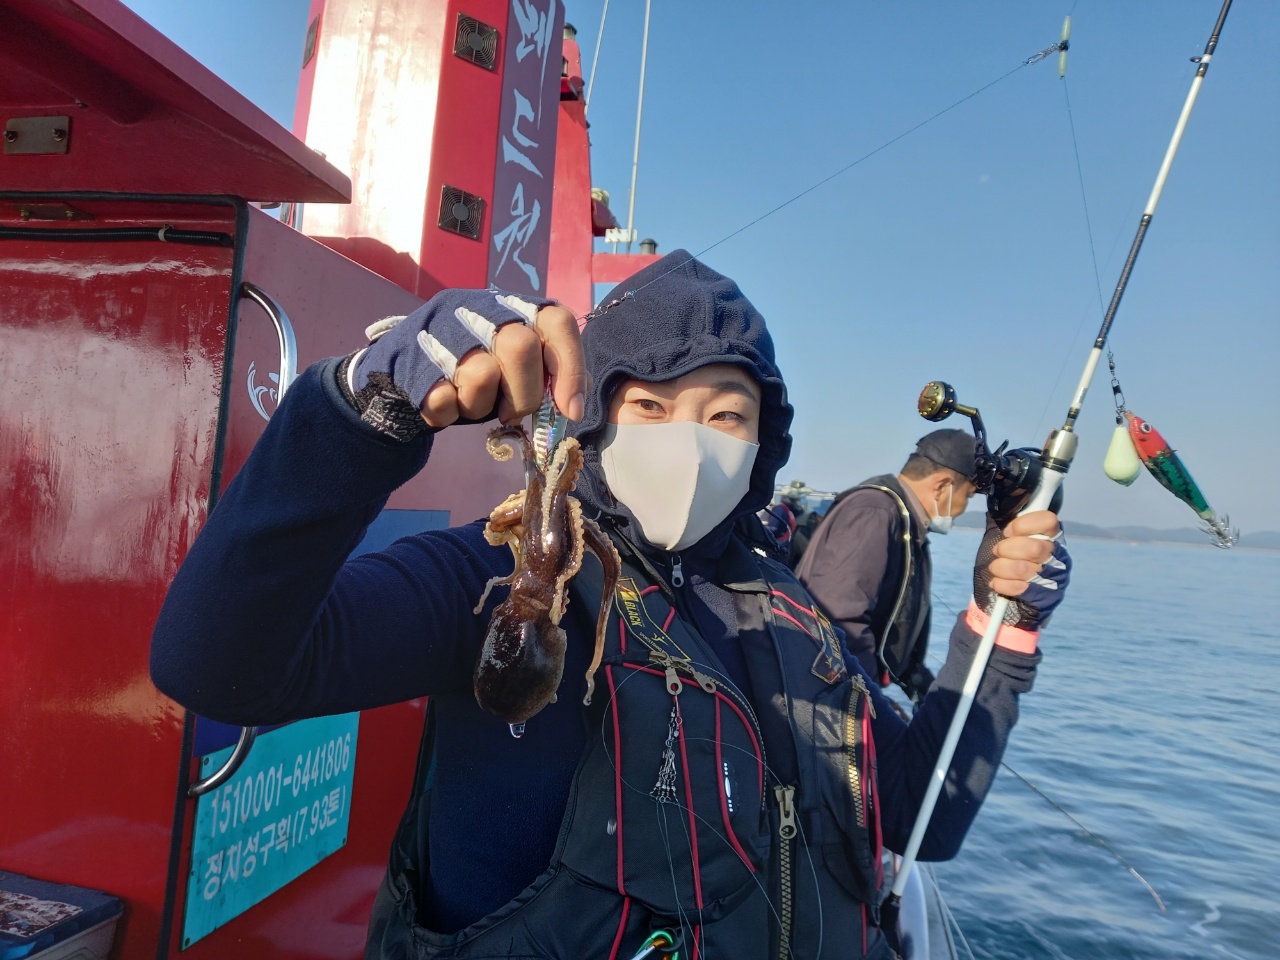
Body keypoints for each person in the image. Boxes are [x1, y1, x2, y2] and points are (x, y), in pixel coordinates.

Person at [150, 250, 1070, 959]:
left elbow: (921, 814)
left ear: (764, 444)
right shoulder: (500, 569)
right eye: (651, 406)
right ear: (595, 417)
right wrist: (363, 413)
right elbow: (216, 667)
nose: (691, 443)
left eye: (727, 415)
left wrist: (1002, 629)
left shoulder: (794, 612)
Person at [796, 429, 981, 702]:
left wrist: (920, 685)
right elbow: (839, 619)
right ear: (943, 486)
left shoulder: (906, 524)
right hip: (826, 695)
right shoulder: (875, 511)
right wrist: (870, 705)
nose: (964, 507)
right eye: (969, 495)